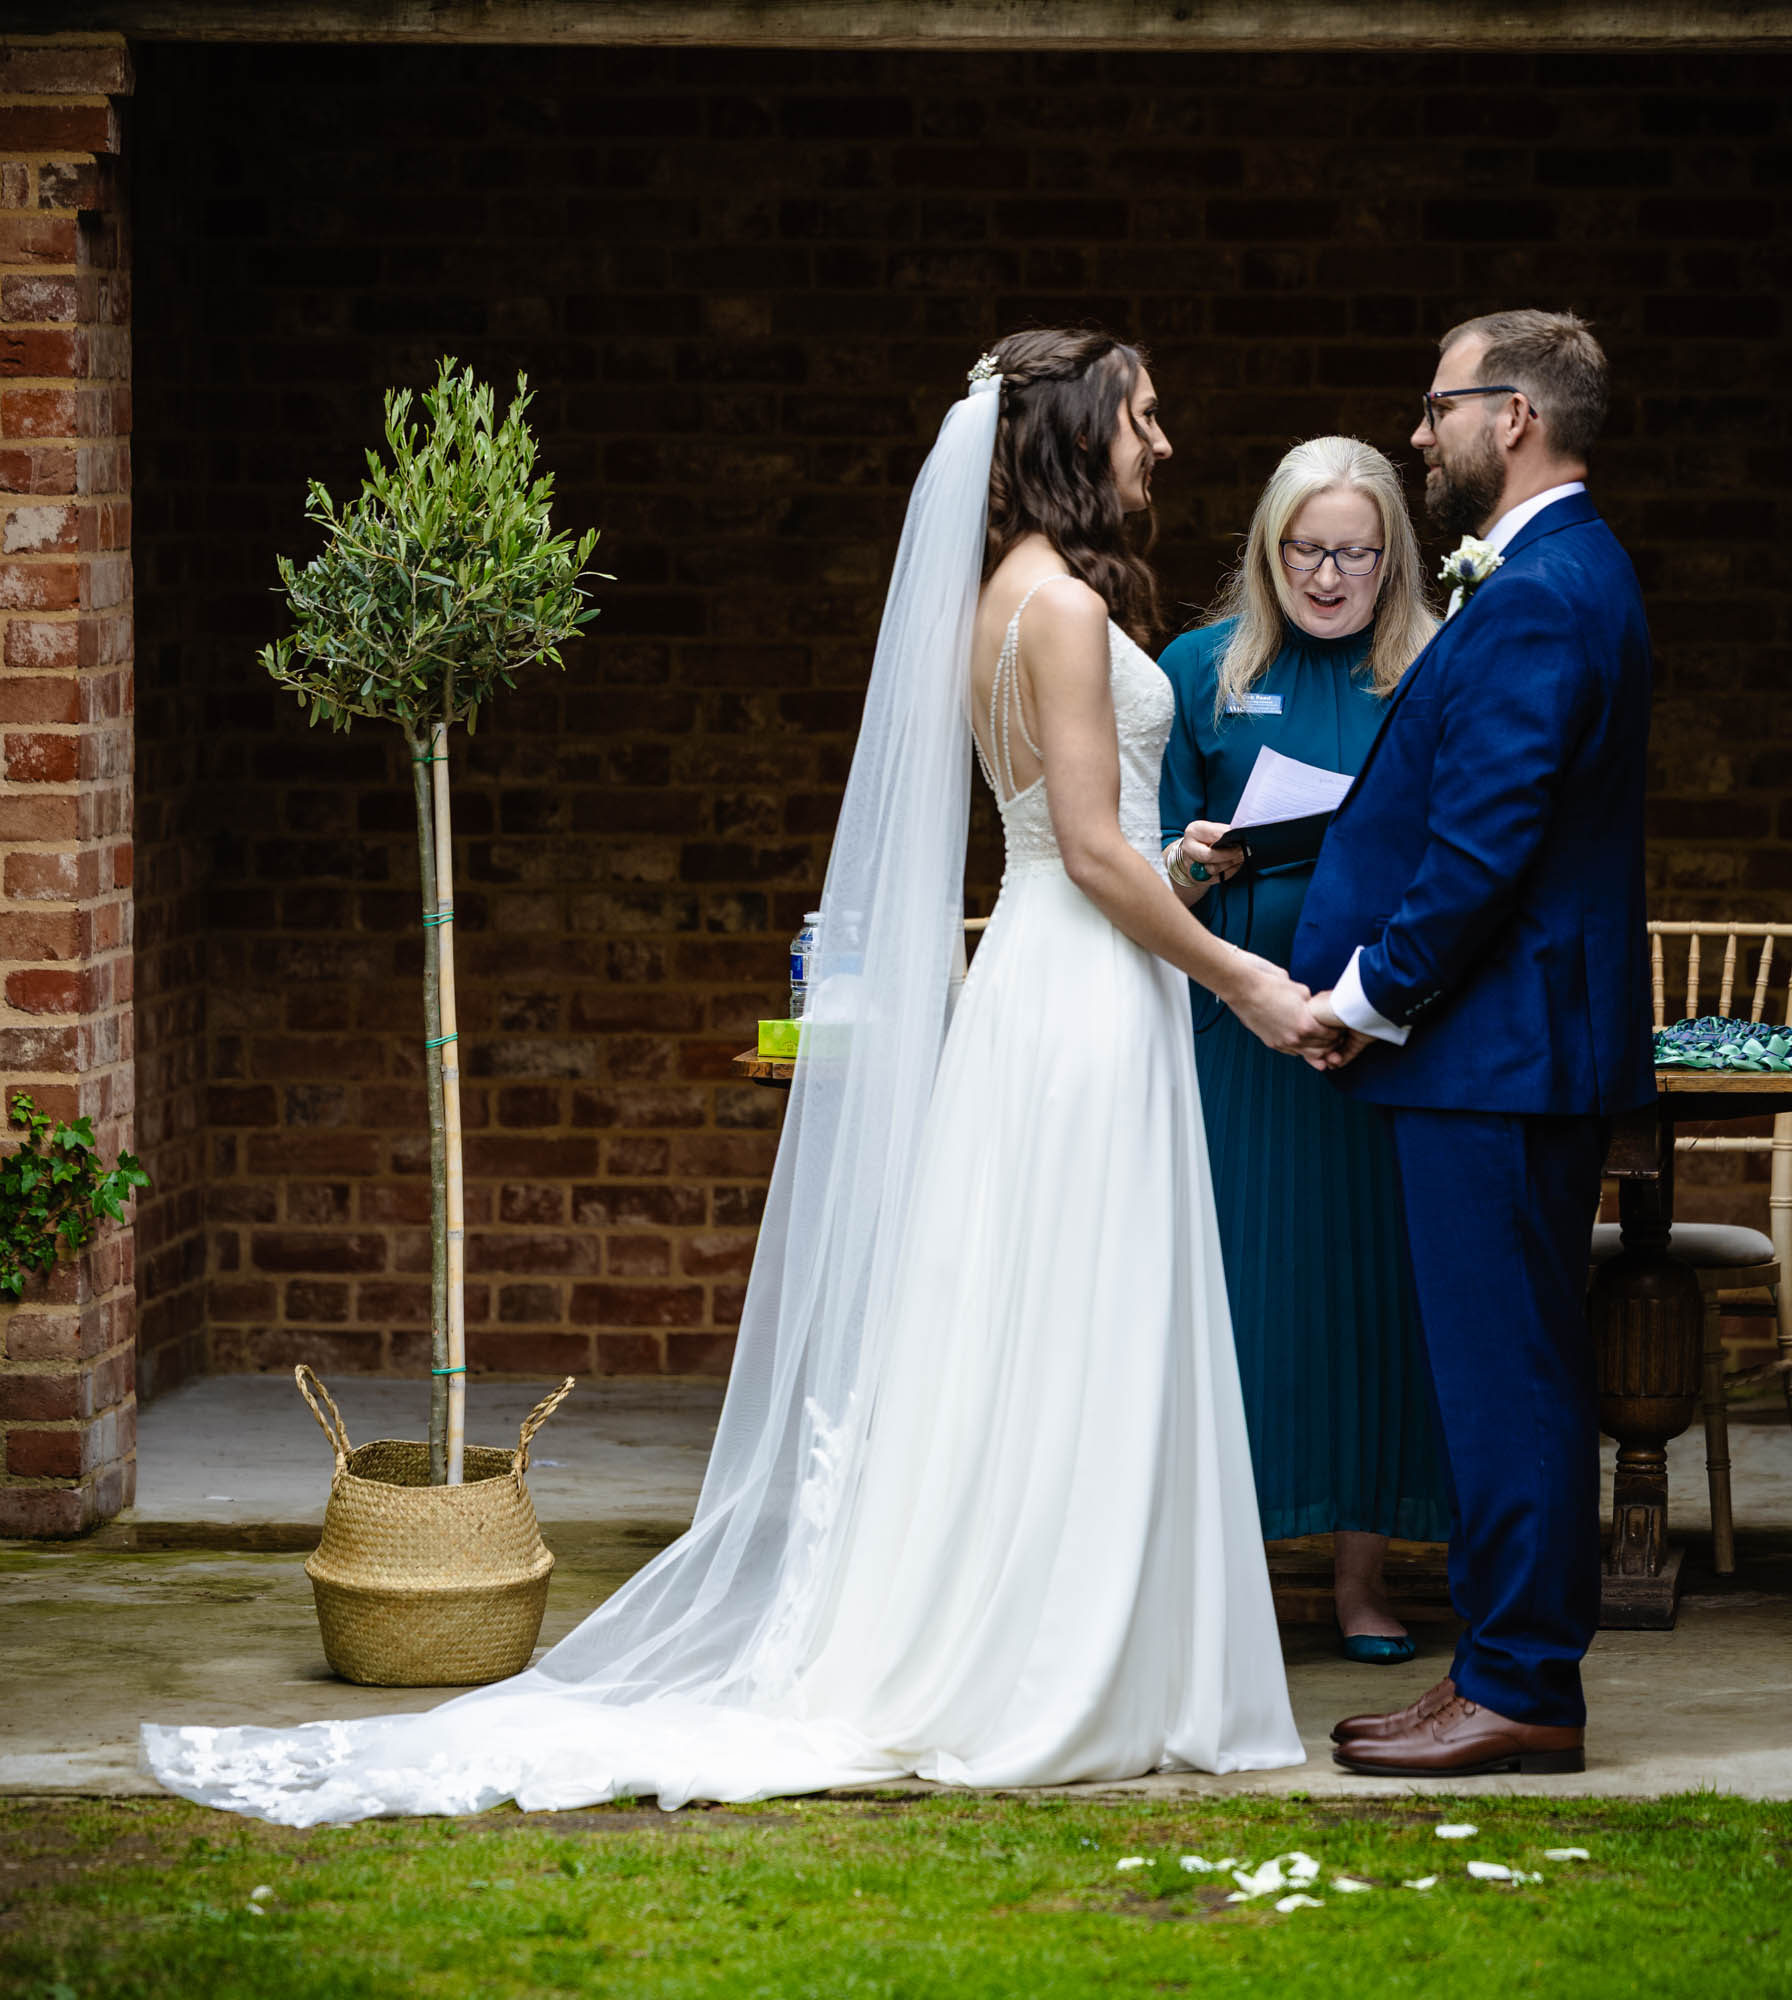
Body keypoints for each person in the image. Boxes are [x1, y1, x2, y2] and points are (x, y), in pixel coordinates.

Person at [143, 329, 1317, 1823]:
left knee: (1044, 1314)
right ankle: (1054, 1661)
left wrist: (1182, 878)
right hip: (1085, 993)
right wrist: (1251, 981)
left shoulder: (1000, 603)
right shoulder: (1068, 612)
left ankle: (1067, 1643)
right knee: (1074, 1307)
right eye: (1146, 417)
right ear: (1081, 434)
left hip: (1052, 982)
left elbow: (1080, 842)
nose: (1164, 441)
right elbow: (1088, 851)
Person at [1291, 310, 1655, 1777]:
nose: (1419, 429)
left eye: (1437, 404)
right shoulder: (1559, 573)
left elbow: (1485, 840)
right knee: (1514, 1372)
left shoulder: (1542, 592)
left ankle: (1517, 1688)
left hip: (1495, 1059)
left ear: (1513, 417)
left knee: (1504, 1378)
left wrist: (1370, 995)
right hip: (1504, 1058)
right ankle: (1500, 1670)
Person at [1158, 437, 1449, 1665]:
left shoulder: (1435, 664)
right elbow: (1141, 851)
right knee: (1237, 1294)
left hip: (1389, 1028)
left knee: (1374, 1295)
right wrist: (1189, 854)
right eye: (1304, 549)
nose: (1328, 575)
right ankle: (1216, 1574)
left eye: (1354, 549)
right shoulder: (1198, 670)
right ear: (1266, 550)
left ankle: (1362, 1579)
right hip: (1239, 1030)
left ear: (1395, 553)